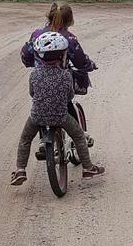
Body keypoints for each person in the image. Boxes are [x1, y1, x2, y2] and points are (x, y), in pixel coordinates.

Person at [11, 32, 105, 186]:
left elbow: (32, 93)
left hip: (37, 117)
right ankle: (88, 168)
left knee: (25, 139)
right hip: (61, 116)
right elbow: (69, 96)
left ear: (40, 56)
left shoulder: (34, 75)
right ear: (62, 55)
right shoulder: (66, 75)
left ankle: (20, 170)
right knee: (79, 136)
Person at [21, 2, 97, 95]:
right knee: (67, 101)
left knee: (36, 101)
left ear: (49, 16)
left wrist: (37, 62)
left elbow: (26, 56)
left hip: (39, 79)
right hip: (62, 79)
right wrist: (90, 65)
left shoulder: (37, 35)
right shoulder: (69, 39)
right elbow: (80, 62)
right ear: (70, 21)